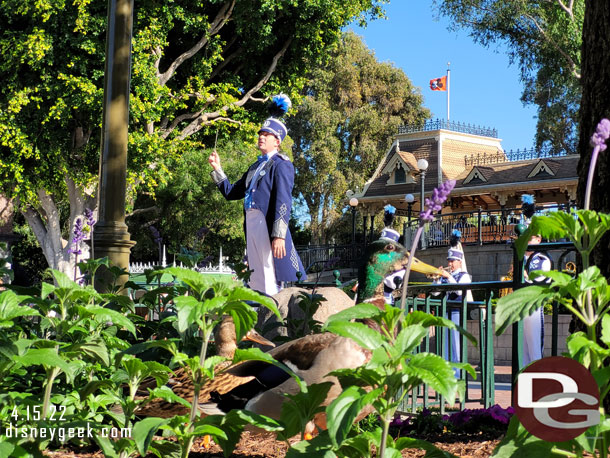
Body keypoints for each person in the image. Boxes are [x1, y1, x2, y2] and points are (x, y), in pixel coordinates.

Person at [208, 95, 305, 295]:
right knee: (256, 272)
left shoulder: (282, 164)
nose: (261, 137)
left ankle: (272, 310)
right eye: (260, 133)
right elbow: (231, 192)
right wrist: (218, 169)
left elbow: (283, 201)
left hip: (266, 223)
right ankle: (260, 310)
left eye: (266, 134)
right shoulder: (255, 166)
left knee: (269, 270)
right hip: (251, 222)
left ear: (277, 141)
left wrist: (278, 235)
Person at [434, 246, 473, 377]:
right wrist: (436, 279)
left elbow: (458, 290)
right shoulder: (446, 276)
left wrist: (448, 277)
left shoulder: (464, 276)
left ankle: (458, 375)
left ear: (459, 262)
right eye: (449, 261)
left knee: (456, 345)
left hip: (457, 313)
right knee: (446, 346)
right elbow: (435, 293)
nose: (450, 264)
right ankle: (448, 374)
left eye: (453, 261)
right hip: (446, 313)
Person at [522, 233, 551, 366]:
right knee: (522, 351)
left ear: (538, 240)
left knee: (534, 349)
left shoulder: (542, 259)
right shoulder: (520, 259)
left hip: (533, 305)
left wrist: (525, 276)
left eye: (530, 237)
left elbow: (541, 282)